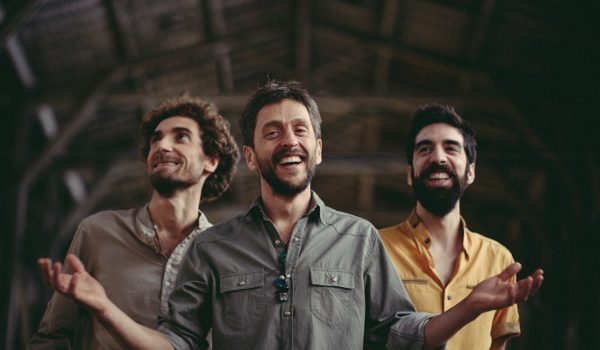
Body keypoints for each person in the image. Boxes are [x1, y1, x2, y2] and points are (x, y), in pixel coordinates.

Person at [37, 80, 543, 350]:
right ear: (252, 155)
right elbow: (179, 344)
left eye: (300, 130)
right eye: (272, 132)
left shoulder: (359, 239)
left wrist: (470, 308)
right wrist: (103, 308)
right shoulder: (212, 248)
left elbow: (397, 335)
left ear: (318, 149)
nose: (289, 141)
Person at [28, 96, 239, 349]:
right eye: (156, 139)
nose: (162, 145)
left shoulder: (224, 256)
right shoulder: (98, 232)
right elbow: (52, 338)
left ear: (211, 161)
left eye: (180, 136)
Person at [379, 103, 529, 349]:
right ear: (409, 173)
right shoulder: (375, 249)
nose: (438, 157)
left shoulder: (498, 259)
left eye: (451, 148)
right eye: (425, 149)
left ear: (470, 172)